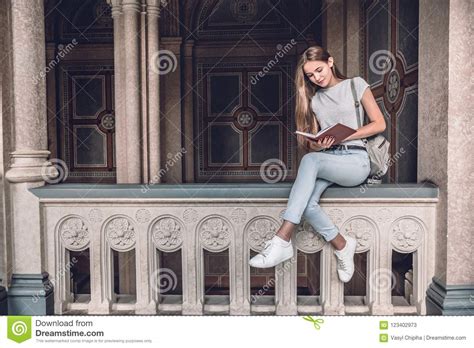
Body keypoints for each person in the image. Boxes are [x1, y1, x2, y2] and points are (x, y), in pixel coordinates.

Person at [249, 45, 386, 283]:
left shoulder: (356, 85)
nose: (317, 78)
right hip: (329, 159)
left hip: (356, 161)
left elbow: (379, 124)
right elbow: (312, 145)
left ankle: (282, 240)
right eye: (310, 75)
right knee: (308, 203)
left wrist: (346, 136)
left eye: (319, 70)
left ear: (330, 62)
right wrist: (320, 144)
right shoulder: (315, 101)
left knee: (310, 162)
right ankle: (343, 245)